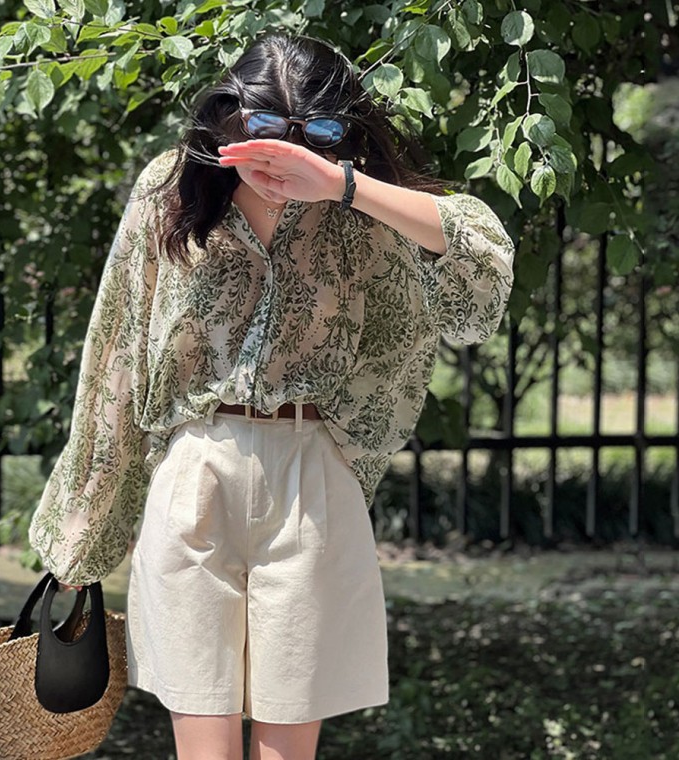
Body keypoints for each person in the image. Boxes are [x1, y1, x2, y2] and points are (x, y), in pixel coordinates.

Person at [28, 31, 515, 760]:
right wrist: (82, 535)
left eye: (316, 136)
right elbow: (116, 360)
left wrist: (342, 184)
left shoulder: (364, 209)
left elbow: (480, 283)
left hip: (312, 479)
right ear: (229, 118)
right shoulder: (171, 191)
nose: (285, 157)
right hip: (194, 472)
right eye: (263, 131)